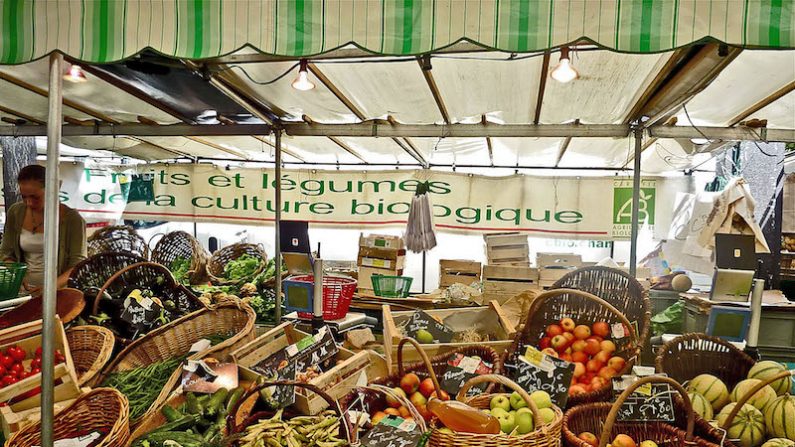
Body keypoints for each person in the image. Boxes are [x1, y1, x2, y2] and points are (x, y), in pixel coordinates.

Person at [0, 165, 86, 295]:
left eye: (35, 197)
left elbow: (78, 264)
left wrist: (51, 288)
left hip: (58, 294)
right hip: (23, 291)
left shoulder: (72, 220)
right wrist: (16, 273)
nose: (29, 202)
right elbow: (6, 252)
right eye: (24, 197)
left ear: (51, 190)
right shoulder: (16, 212)